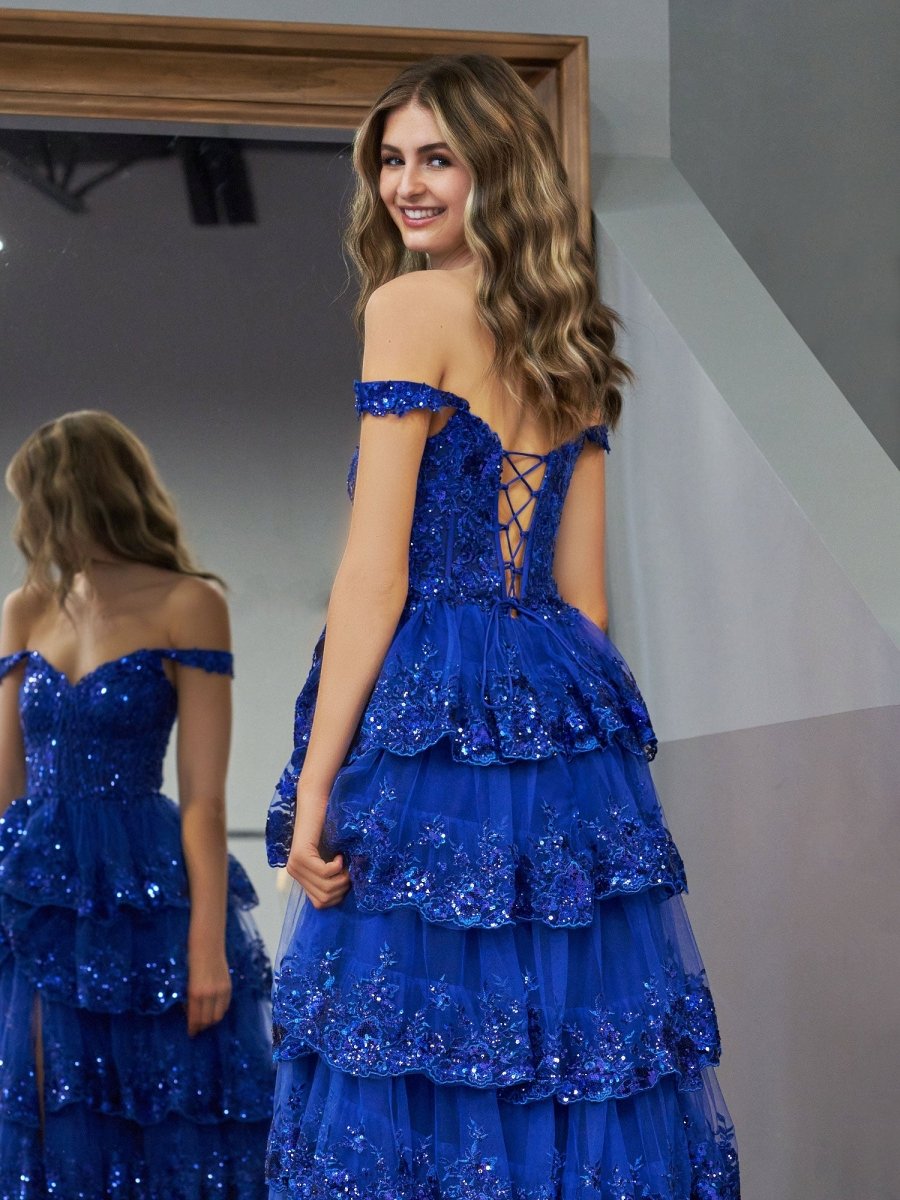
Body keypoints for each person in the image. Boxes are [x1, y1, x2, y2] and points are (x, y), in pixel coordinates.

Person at [266, 54, 740, 1200]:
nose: (406, 185)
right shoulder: (570, 335)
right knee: (563, 1045)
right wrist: (567, 753)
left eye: (438, 158)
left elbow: (373, 578)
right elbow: (587, 602)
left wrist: (315, 785)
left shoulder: (408, 307)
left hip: (433, 709)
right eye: (391, 160)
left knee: (412, 1043)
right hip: (561, 709)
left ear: (497, 168)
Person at [0, 411, 273, 1197]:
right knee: (46, 1106)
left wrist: (207, 944)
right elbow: (6, 787)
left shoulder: (189, 603)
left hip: (143, 891)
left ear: (75, 497)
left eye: (34, 502)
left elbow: (205, 799)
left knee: (157, 1110)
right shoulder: (25, 610)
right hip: (40, 895)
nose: (27, 525)